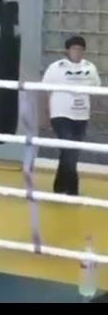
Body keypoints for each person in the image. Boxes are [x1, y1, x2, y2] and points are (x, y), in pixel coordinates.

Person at [42, 36, 101, 196]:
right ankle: (72, 188)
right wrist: (46, 115)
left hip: (81, 116)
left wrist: (92, 111)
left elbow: (96, 90)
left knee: (69, 151)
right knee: (70, 151)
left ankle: (60, 186)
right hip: (61, 114)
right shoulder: (56, 67)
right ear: (67, 50)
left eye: (80, 49)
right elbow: (46, 92)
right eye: (74, 48)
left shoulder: (90, 67)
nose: (77, 52)